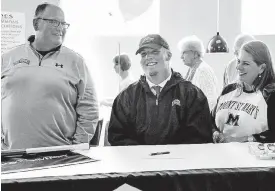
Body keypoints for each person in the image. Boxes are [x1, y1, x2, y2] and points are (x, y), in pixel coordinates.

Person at [1, 3, 99, 150]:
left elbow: (89, 110)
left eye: (63, 24)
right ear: (36, 23)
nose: (60, 28)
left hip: (60, 156)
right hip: (11, 154)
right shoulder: (7, 58)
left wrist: (76, 148)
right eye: (54, 22)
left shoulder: (76, 62)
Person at [108, 34, 213, 145]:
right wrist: (145, 156)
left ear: (168, 55)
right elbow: (117, 137)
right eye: (143, 54)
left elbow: (200, 138)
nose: (148, 57)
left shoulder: (192, 95)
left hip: (179, 162)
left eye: (154, 52)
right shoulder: (126, 97)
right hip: (139, 162)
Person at [212, 40, 275, 143]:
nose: (238, 67)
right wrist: (215, 132)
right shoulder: (228, 90)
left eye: (245, 63)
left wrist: (241, 140)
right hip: (222, 154)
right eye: (238, 61)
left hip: (254, 157)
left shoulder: (271, 95)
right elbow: (211, 120)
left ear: (262, 68)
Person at [178, 35, 218, 110]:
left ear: (195, 54)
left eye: (184, 53)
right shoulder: (192, 69)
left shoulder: (203, 70)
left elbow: (211, 101)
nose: (181, 57)